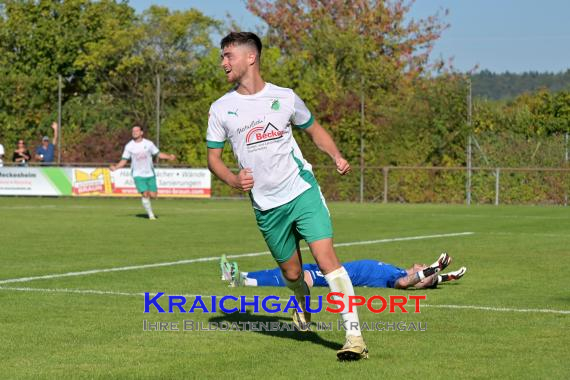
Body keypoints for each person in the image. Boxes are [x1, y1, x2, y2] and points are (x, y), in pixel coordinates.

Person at [206, 32, 366, 360]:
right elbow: (213, 158)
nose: (223, 62)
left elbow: (314, 129)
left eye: (228, 56)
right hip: (266, 206)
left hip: (301, 190)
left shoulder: (285, 97)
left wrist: (335, 155)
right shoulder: (221, 108)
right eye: (222, 57)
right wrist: (234, 180)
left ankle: (354, 337)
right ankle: (301, 301)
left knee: (327, 259)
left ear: (250, 57)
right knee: (293, 273)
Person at [221, 252, 467, 289]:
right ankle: (240, 275)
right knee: (291, 268)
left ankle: (239, 279)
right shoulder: (397, 268)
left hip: (337, 275)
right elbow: (428, 281)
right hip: (333, 266)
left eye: (425, 269)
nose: (422, 266)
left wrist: (434, 268)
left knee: (300, 277)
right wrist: (446, 276)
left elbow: (406, 283)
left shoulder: (396, 277)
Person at [110, 125, 176, 220]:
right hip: (138, 175)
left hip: (150, 174)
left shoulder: (149, 144)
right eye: (133, 131)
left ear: (141, 132)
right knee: (145, 194)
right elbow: (124, 160)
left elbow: (158, 154)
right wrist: (116, 167)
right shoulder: (129, 146)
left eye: (137, 131)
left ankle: (149, 208)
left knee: (153, 195)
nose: (134, 132)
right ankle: (151, 215)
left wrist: (169, 157)